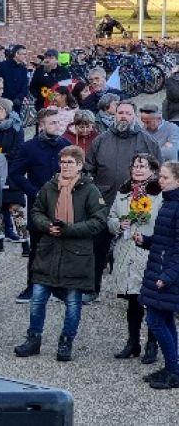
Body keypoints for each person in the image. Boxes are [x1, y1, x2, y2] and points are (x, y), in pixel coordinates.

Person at [14, 145, 108, 362]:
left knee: (73, 301)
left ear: (79, 165)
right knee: (38, 298)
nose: (65, 166)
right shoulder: (49, 187)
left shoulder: (90, 190)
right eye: (63, 162)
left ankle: (66, 341)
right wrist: (47, 226)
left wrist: (69, 229)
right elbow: (36, 211)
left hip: (76, 253)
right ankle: (33, 339)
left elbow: (98, 221)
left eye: (70, 162)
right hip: (49, 250)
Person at [85, 101, 161, 302]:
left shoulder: (148, 141)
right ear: (115, 115)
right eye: (120, 113)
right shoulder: (101, 140)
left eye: (128, 113)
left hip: (138, 203)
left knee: (139, 247)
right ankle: (92, 289)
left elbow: (158, 171)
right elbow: (88, 169)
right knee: (98, 247)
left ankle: (139, 291)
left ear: (134, 116)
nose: (124, 116)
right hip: (105, 202)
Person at [9, 108, 71, 302]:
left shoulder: (66, 145)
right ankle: (32, 287)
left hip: (63, 203)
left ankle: (58, 287)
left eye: (60, 122)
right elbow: (15, 173)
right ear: (42, 125)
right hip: (39, 205)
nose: (58, 126)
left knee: (61, 244)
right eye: (53, 123)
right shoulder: (29, 147)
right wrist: (33, 191)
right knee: (37, 246)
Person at [105, 154, 162, 364]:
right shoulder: (123, 192)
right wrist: (119, 225)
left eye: (142, 166)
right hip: (126, 250)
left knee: (152, 302)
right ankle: (133, 342)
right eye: (135, 166)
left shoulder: (160, 194)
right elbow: (110, 217)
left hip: (149, 252)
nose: (137, 170)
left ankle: (152, 343)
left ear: (153, 170)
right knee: (133, 302)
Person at [134, 160, 179, 389]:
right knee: (164, 319)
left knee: (155, 320)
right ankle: (173, 367)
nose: (159, 181)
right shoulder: (168, 202)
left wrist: (168, 276)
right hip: (160, 268)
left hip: (166, 273)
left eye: (165, 178)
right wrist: (146, 242)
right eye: (159, 176)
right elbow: (165, 242)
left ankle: (174, 371)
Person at [0, 99, 25, 243]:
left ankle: (24, 239)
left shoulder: (16, 128)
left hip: (12, 170)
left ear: (7, 111)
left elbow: (19, 149)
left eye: (0, 109)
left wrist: (3, 156)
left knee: (15, 205)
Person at [0, 44, 30, 111]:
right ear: (16, 54)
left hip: (16, 104)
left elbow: (25, 86)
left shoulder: (24, 70)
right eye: (24, 54)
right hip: (1, 103)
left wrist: (19, 98)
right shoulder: (2, 66)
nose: (25, 56)